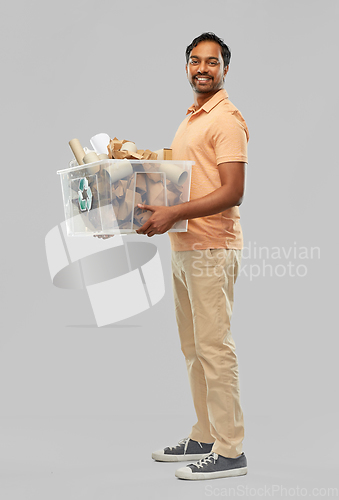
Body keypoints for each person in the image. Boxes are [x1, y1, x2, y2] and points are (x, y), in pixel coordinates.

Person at [136, 32, 249, 481]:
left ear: (225, 69)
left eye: (213, 61)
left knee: (215, 349)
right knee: (193, 349)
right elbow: (181, 177)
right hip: (184, 247)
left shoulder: (226, 120)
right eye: (195, 61)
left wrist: (174, 213)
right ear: (186, 67)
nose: (203, 68)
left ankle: (231, 450)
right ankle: (205, 435)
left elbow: (233, 191)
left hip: (211, 249)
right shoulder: (192, 118)